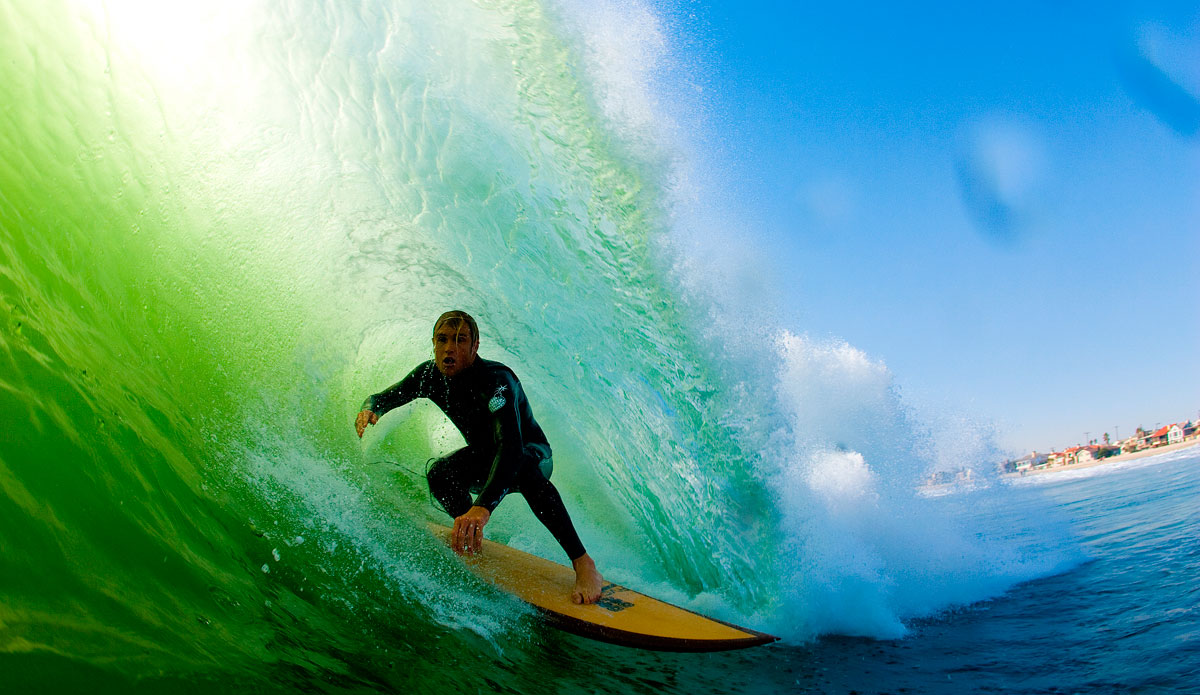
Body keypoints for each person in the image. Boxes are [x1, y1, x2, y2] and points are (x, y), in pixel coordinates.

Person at [355, 310, 605, 604]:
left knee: (523, 467)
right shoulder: (430, 376)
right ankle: (470, 538)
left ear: (475, 346)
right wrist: (371, 408)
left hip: (531, 455)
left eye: (460, 340)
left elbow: (510, 448)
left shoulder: (497, 381)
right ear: (434, 344)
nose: (449, 348)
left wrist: (482, 507)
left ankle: (583, 563)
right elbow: (385, 396)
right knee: (439, 474)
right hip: (486, 458)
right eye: (443, 340)